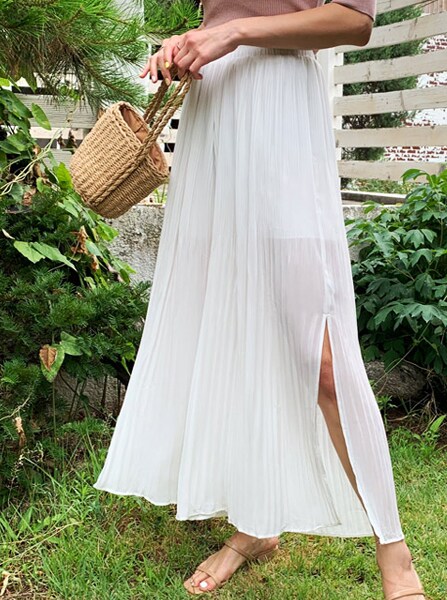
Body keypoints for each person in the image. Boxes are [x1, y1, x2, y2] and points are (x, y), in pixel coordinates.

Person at [93, 2, 427, 598]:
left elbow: (355, 20)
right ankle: (255, 525)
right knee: (233, 327)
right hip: (216, 113)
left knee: (322, 356)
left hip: (281, 112)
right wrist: (189, 43)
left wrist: (234, 33)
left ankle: (394, 553)